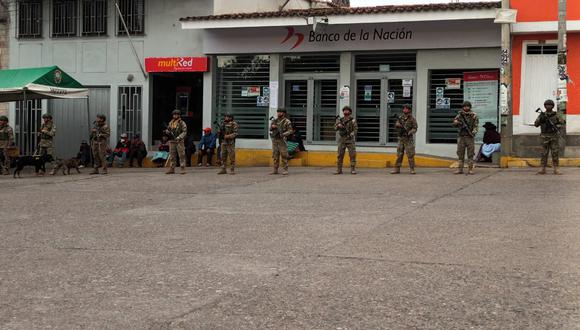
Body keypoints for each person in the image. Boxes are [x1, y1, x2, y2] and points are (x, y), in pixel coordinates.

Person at [534, 99, 566, 175]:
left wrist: (556, 126)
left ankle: (556, 169)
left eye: (550, 105)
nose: (548, 106)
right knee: (544, 153)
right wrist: (541, 119)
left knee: (555, 152)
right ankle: (542, 169)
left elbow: (563, 122)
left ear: (552, 106)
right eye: (547, 105)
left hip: (554, 136)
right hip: (544, 136)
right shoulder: (542, 115)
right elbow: (536, 124)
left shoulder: (556, 115)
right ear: (545, 106)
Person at [452, 101, 479, 175]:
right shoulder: (459, 115)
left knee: (470, 154)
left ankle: (470, 169)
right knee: (460, 153)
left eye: (467, 106)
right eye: (464, 106)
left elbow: (476, 126)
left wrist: (473, 133)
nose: (466, 107)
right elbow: (454, 123)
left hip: (469, 137)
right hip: (461, 137)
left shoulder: (474, 115)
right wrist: (456, 123)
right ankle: (460, 169)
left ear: (470, 107)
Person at [391, 104, 418, 175]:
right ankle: (397, 169)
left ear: (409, 110)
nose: (405, 110)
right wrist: (397, 125)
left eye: (406, 109)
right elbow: (396, 125)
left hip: (408, 139)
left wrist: (410, 132)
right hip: (401, 138)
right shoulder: (400, 118)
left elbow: (415, 128)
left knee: (410, 154)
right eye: (404, 108)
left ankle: (412, 169)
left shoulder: (412, 119)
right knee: (399, 154)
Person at [334, 106, 358, 175]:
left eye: (347, 110)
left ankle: (353, 169)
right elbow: (335, 128)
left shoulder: (353, 120)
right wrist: (338, 126)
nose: (346, 112)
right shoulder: (340, 120)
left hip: (350, 139)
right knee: (340, 155)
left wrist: (352, 134)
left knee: (352, 155)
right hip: (342, 139)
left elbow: (355, 129)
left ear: (350, 112)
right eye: (344, 110)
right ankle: (339, 170)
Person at [270, 108, 293, 175]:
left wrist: (283, 134)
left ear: (284, 113)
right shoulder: (275, 120)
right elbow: (270, 128)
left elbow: (290, 131)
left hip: (282, 140)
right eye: (278, 112)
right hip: (275, 139)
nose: (278, 113)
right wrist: (273, 127)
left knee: (284, 155)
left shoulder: (287, 121)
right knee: (275, 155)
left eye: (280, 112)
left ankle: (285, 170)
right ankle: (275, 170)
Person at [164, 109, 187, 174]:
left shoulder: (182, 122)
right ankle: (172, 168)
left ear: (179, 115)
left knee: (181, 155)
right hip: (172, 140)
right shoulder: (171, 123)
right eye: (174, 114)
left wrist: (179, 137)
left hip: (179, 140)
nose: (175, 115)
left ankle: (182, 168)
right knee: (172, 155)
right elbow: (168, 130)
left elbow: (184, 131)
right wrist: (167, 132)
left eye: (176, 114)